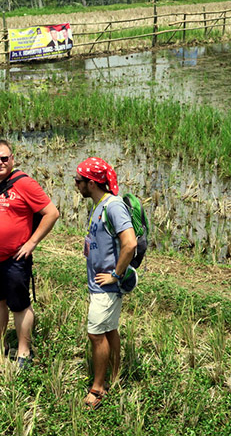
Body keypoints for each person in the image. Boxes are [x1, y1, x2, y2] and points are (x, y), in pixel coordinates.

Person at [0, 139, 60, 367]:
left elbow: (51, 213)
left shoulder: (25, 184)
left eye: (4, 158)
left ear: (12, 159)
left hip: (14, 258)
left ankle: (23, 352)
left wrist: (31, 243)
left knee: (19, 305)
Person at [75, 157, 137, 409]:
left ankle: (98, 389)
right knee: (109, 330)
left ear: (91, 183)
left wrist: (116, 274)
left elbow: (130, 243)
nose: (75, 185)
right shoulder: (99, 203)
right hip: (99, 283)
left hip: (107, 286)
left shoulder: (113, 206)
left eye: (78, 180)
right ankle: (115, 376)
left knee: (95, 333)